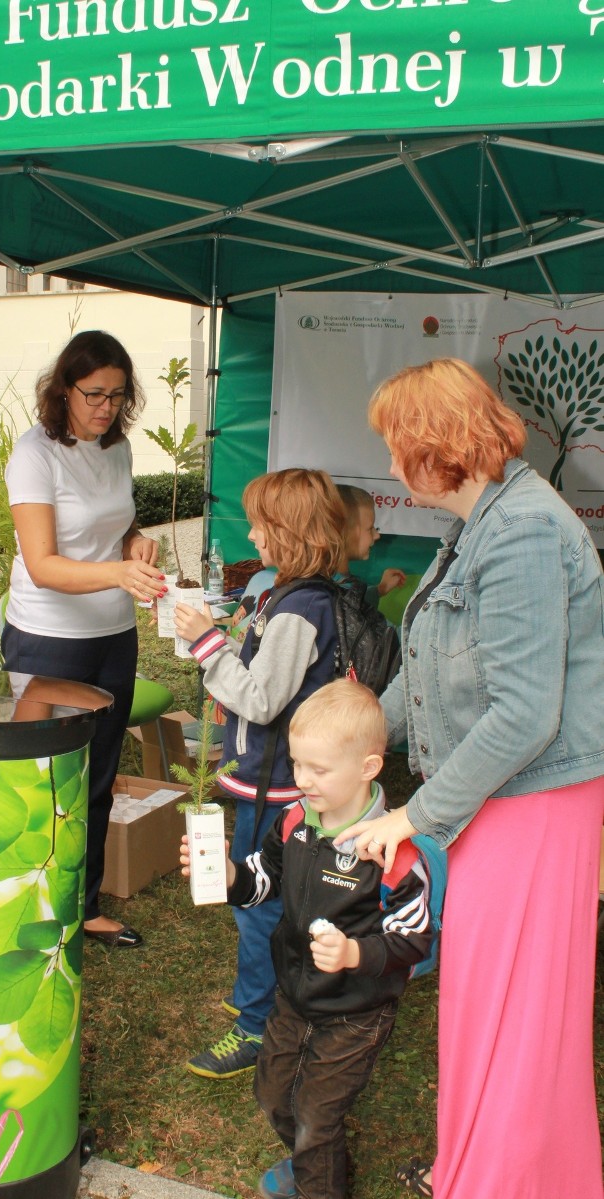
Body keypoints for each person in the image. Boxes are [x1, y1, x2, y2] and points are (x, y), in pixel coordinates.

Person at [343, 358, 604, 1199]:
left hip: (539, 801)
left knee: (519, 1020)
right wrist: (346, 742)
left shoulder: (523, 528)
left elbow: (525, 714)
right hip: (505, 798)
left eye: (394, 447)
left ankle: (512, 1181)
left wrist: (416, 813)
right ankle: (478, 1170)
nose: (388, 467)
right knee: (483, 1005)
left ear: (436, 445)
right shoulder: (480, 524)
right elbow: (427, 677)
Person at [179, 679, 433, 1199]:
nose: (303, 779)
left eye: (319, 769)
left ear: (368, 768)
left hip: (356, 1012)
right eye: (297, 764)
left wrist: (355, 952)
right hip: (294, 997)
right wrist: (228, 876)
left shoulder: (394, 852)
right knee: (274, 1096)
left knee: (318, 1117)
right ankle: (310, 1162)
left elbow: (414, 938)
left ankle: (318, 1179)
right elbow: (264, 877)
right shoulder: (295, 820)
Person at [173, 468, 347, 1077]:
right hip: (272, 781)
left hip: (275, 790)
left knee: (256, 902)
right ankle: (265, 991)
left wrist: (205, 645)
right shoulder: (292, 596)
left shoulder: (299, 609)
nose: (251, 533)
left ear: (288, 532)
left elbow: (262, 699)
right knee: (264, 901)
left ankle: (255, 1023)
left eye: (260, 524)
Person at [1, 329, 164, 949]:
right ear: (62, 389)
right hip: (49, 637)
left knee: (97, 772)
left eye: (118, 396)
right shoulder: (34, 454)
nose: (106, 408)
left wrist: (135, 544)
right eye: (93, 394)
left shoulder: (116, 450)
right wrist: (119, 572)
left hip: (112, 634)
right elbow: (42, 563)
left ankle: (84, 904)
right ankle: (25, 907)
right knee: (41, 776)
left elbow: (114, 527)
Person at [336, 484, 406, 607]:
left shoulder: (339, 589)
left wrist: (379, 590)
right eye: (370, 528)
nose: (377, 535)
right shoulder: (330, 596)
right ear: (341, 533)